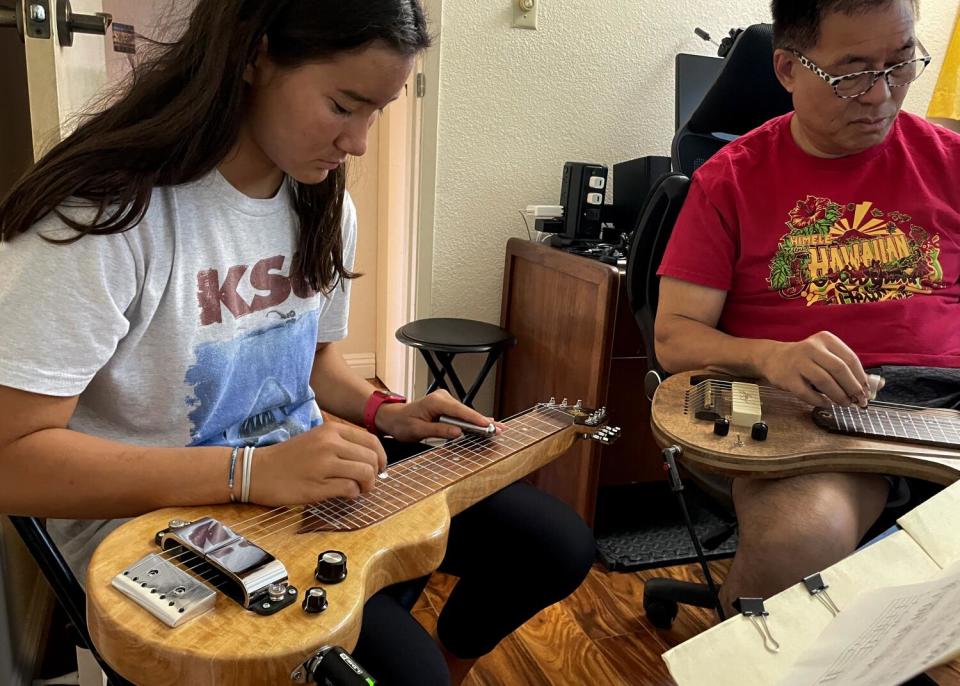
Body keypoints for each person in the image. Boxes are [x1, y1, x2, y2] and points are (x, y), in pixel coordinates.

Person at [0, 2, 594, 684]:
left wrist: (383, 413)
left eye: (378, 110)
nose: (360, 141)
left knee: (554, 545)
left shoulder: (320, 201)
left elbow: (313, 368)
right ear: (254, 55)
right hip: (150, 517)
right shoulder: (102, 212)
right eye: (345, 105)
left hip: (298, 478)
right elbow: (12, 460)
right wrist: (249, 473)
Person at [656, 0, 960, 617]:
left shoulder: (950, 162)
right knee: (798, 541)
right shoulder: (730, 180)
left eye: (901, 64)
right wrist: (770, 355)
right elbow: (674, 338)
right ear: (789, 69)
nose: (881, 96)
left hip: (947, 399)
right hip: (818, 416)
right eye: (851, 73)